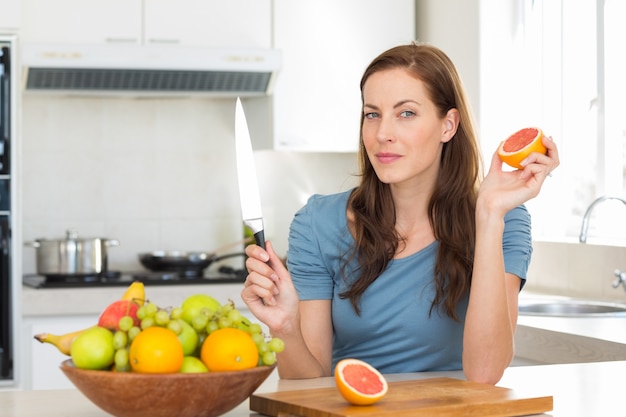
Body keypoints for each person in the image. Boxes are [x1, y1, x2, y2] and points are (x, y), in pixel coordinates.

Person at [241, 42, 559, 385]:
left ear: (448, 125)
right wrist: (284, 327)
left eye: (406, 113)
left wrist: (490, 215)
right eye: (372, 114)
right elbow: (308, 383)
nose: (382, 134)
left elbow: (485, 373)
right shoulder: (318, 223)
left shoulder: (504, 218)